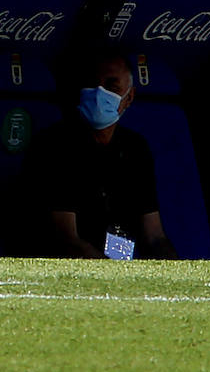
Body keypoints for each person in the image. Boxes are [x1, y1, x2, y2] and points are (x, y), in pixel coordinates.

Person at [22, 51, 175, 260]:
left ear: (128, 97)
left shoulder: (135, 148)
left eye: (111, 86)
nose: (99, 93)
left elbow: (154, 236)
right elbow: (66, 240)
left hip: (121, 262)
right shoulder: (55, 145)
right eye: (93, 85)